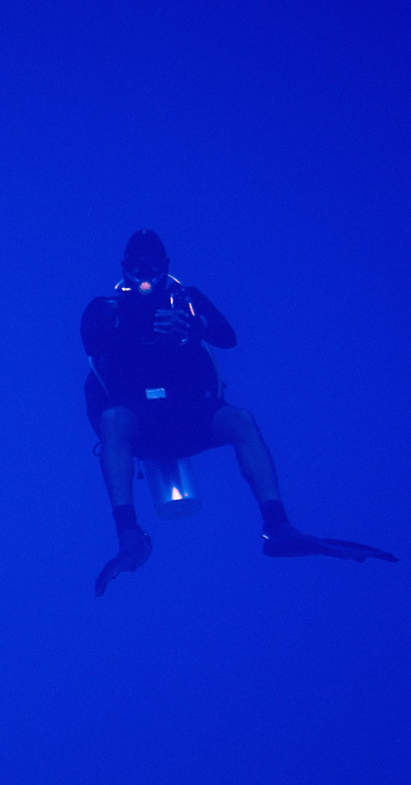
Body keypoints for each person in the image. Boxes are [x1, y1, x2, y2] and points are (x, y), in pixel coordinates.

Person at [85, 229, 394, 593]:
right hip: (140, 429)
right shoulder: (107, 309)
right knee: (113, 419)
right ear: (125, 268)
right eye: (137, 265)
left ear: (167, 267)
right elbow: (90, 340)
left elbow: (227, 337)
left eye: (153, 264)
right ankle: (128, 534)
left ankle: (278, 527)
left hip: (189, 419)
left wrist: (192, 327)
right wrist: (128, 331)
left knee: (240, 419)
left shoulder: (187, 301)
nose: (145, 272)